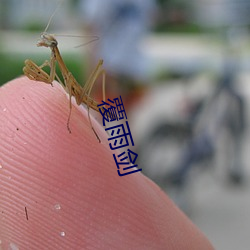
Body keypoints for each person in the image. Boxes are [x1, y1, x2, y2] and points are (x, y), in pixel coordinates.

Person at [0, 77, 213, 249]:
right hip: (116, 83)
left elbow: (95, 51)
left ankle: (131, 172)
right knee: (116, 131)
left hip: (114, 84)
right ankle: (131, 171)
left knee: (116, 133)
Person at [78, 0, 157, 110]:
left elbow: (147, 23)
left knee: (132, 122)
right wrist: (92, 69)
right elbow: (90, 28)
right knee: (110, 121)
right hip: (109, 71)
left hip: (137, 71)